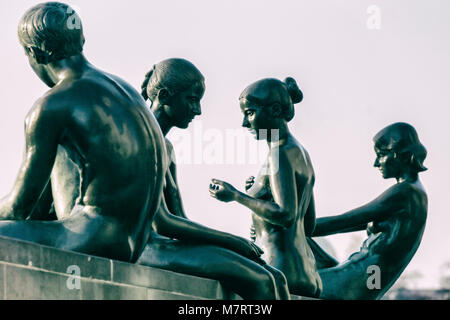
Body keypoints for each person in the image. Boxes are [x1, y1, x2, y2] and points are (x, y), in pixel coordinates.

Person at [0, 2, 166, 263]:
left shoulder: (51, 106)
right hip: (134, 242)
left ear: (35, 53)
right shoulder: (126, 90)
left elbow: (18, 207)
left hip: (91, 237)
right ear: (81, 38)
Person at [137, 59, 290, 300]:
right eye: (192, 100)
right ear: (165, 96)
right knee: (261, 281)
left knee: (276, 277)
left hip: (166, 245)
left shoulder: (165, 147)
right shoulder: (143, 140)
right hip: (145, 248)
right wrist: (232, 241)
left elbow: (179, 218)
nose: (197, 111)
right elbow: (162, 224)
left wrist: (229, 245)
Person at [209, 77, 322, 298]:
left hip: (281, 271)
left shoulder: (279, 152)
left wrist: (236, 195)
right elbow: (308, 225)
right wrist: (261, 197)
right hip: (307, 273)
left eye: (250, 113)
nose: (244, 123)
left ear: (275, 110)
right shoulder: (300, 152)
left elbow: (285, 214)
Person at [311, 122, 428, 299]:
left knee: (276, 282)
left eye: (381, 155)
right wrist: (299, 227)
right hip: (358, 275)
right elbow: (348, 225)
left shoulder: (405, 193)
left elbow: (343, 221)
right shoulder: (412, 193)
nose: (375, 163)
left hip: (355, 281)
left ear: (402, 156)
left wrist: (292, 222)